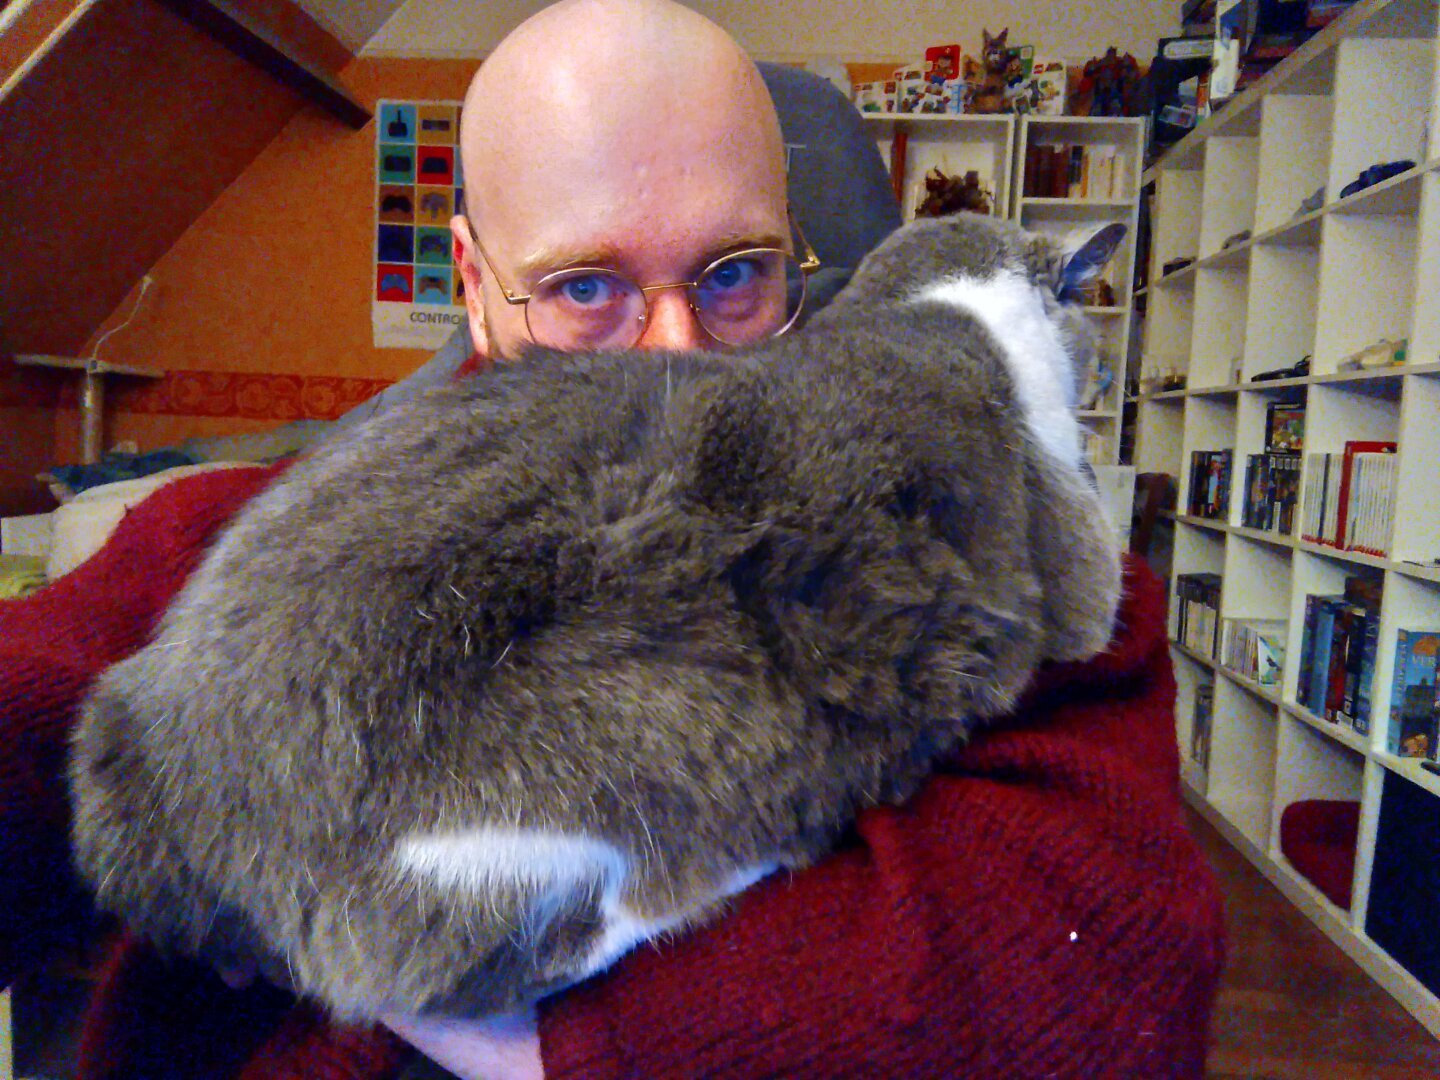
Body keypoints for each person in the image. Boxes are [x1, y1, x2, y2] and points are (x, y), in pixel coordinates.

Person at [0, 2, 1225, 1077]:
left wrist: (568, 1047)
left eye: (734, 276)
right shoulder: (236, 547)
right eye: (589, 289)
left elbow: (1116, 965)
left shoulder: (971, 542)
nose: (676, 355)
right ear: (477, 284)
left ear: (804, 265)